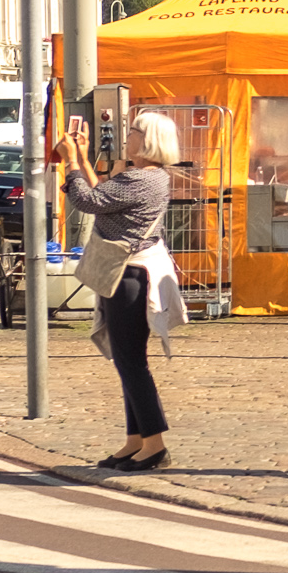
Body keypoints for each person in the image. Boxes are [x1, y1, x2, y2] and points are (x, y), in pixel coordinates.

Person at [57, 109, 189, 472]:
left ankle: (155, 445)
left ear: (147, 141)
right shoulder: (142, 176)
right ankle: (137, 440)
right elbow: (102, 194)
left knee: (132, 361)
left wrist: (69, 162)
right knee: (126, 359)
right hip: (126, 272)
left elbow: (89, 202)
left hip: (131, 275)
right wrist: (82, 159)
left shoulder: (142, 179)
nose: (125, 136)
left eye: (132, 131)